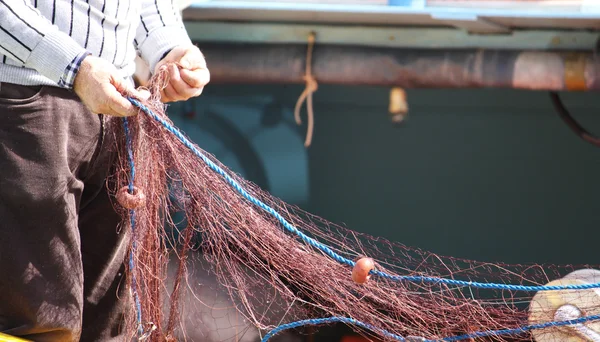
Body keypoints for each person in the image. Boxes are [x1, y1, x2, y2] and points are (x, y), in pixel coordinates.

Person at [0, 1, 210, 341]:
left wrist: (169, 46)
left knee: (110, 324)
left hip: (115, 109)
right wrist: (75, 67)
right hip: (20, 102)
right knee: (37, 321)